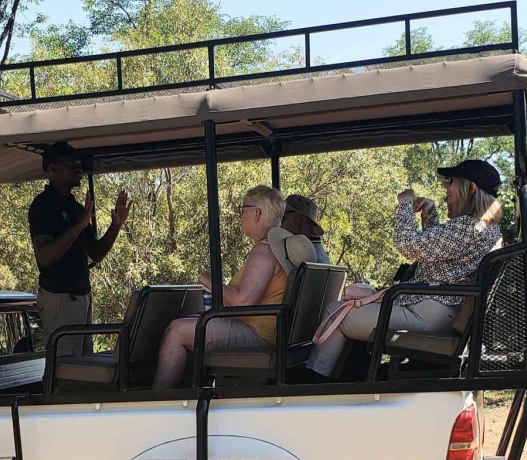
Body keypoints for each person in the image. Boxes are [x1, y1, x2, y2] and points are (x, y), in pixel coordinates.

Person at [306, 159, 503, 379]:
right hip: (439, 312)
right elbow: (439, 256)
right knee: (348, 310)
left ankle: (311, 387)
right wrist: (429, 215)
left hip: (427, 314)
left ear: (471, 187)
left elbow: (408, 246)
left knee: (336, 313)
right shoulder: (484, 229)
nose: (445, 187)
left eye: (450, 181)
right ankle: (348, 383)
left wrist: (404, 205)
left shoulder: (469, 228)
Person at [152, 185, 289, 389]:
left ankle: (158, 399)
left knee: (177, 331)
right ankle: (187, 393)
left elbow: (243, 301)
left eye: (243, 210)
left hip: (256, 333)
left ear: (257, 213)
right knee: (192, 323)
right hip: (266, 330)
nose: (240, 216)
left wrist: (210, 282)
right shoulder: (278, 248)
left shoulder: (263, 252)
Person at [28, 142, 129, 360]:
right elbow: (44, 256)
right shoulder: (42, 206)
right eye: (71, 164)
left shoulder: (75, 208)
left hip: (82, 295)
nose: (78, 168)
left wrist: (116, 225)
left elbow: (96, 253)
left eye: (78, 164)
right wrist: (80, 225)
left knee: (84, 365)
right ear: (52, 170)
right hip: (59, 297)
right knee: (64, 366)